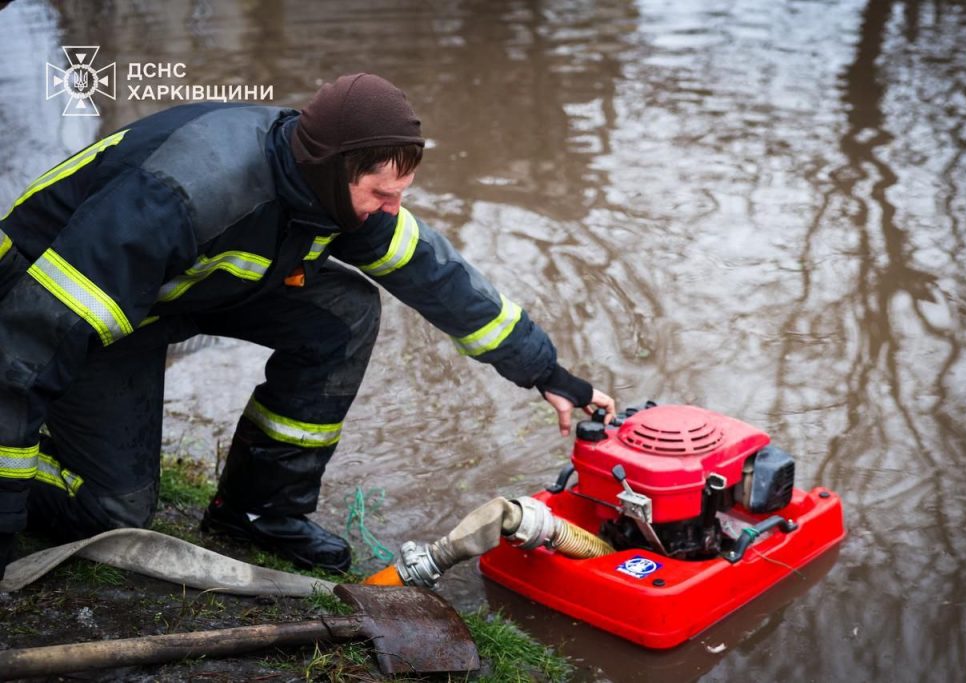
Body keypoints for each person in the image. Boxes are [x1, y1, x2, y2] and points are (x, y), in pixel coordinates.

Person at [0, 74, 615, 578]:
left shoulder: (333, 183)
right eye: (381, 193)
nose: (392, 209)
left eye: (400, 192)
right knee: (112, 513)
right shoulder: (180, 194)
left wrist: (548, 372)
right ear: (332, 170)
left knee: (343, 312)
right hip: (50, 297)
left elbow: (438, 277)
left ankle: (257, 511)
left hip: (179, 289)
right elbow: (27, 346)